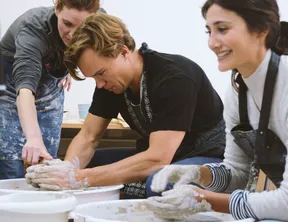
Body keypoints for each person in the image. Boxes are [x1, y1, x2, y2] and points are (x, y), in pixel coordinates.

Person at [149, 0, 288, 221]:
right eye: (208, 31)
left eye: (222, 29)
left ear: (260, 30)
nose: (212, 42)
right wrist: (197, 174)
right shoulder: (238, 94)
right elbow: (238, 173)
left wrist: (203, 200)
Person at [25, 13, 225, 198]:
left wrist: (78, 180)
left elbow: (158, 158)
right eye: (93, 77)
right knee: (87, 164)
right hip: (166, 158)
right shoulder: (110, 85)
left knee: (163, 183)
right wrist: (66, 173)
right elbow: (88, 137)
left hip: (209, 157)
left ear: (123, 51)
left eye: (101, 73)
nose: (100, 84)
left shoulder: (174, 77)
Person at [0, 0, 102, 179]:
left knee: (46, 160)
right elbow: (25, 88)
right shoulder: (33, 28)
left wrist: (69, 64)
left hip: (50, 79)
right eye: (67, 24)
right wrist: (33, 137)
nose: (73, 35)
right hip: (10, 81)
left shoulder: (100, 22)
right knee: (12, 161)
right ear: (56, 6)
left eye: (82, 28)